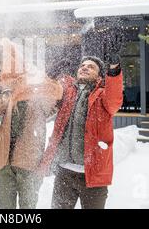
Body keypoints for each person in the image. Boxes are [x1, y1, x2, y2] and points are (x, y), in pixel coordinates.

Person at [38, 51, 123, 209]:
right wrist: (51, 75)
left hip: (92, 175)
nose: (85, 68)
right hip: (64, 172)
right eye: (82, 65)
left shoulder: (103, 96)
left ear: (99, 76)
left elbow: (115, 99)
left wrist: (114, 70)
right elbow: (48, 96)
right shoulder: (66, 91)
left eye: (91, 67)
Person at [0, 48, 63, 209]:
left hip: (29, 161)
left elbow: (53, 101)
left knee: (28, 206)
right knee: (6, 207)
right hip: (5, 160)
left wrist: (51, 79)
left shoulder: (40, 90)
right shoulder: (10, 91)